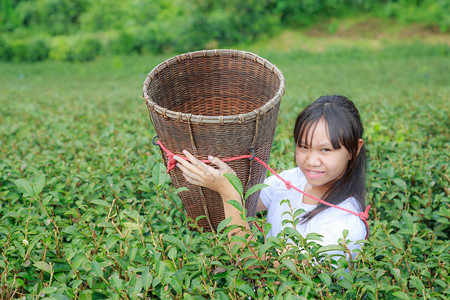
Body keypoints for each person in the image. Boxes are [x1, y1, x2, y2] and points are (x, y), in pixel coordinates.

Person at [173, 95, 368, 258]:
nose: (311, 161)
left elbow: (256, 264)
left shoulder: (345, 227)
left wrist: (227, 190)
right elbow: (246, 203)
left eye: (325, 149)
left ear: (354, 150)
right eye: (303, 146)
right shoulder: (294, 179)